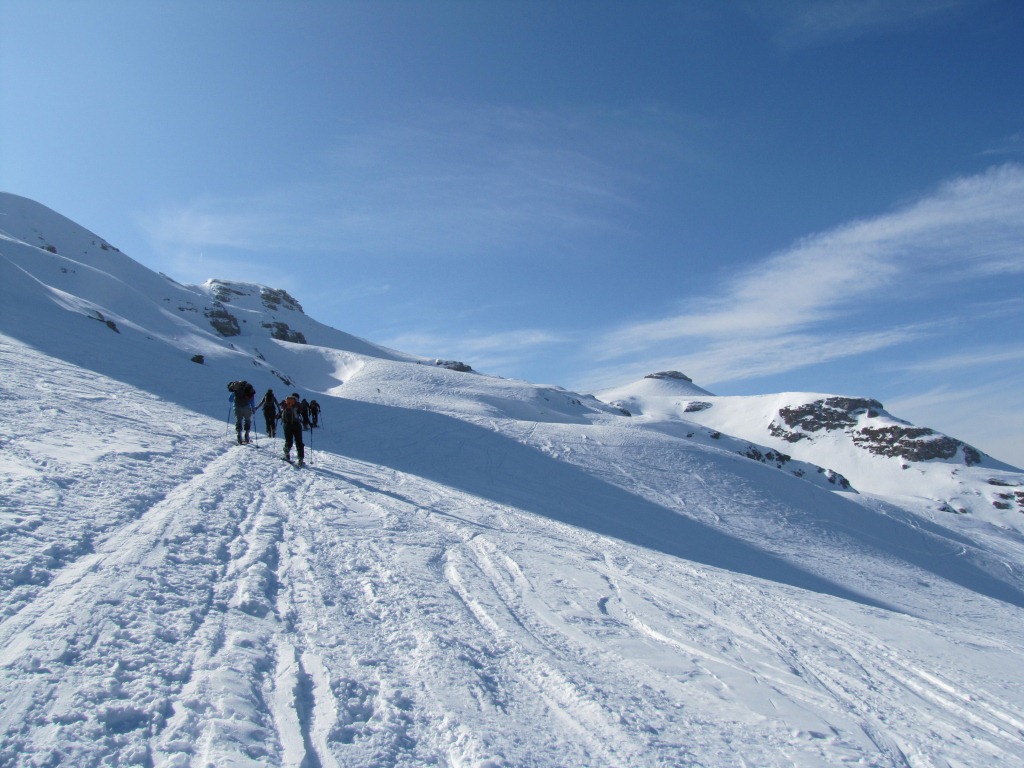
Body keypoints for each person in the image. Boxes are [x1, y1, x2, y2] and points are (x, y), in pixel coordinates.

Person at [279, 392, 305, 466]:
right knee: (299, 442)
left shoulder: (286, 403)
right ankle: (300, 459)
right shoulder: (298, 404)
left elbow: (281, 410)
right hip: (296, 425)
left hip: (287, 425)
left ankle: (286, 454)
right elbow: (301, 412)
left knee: (288, 440)